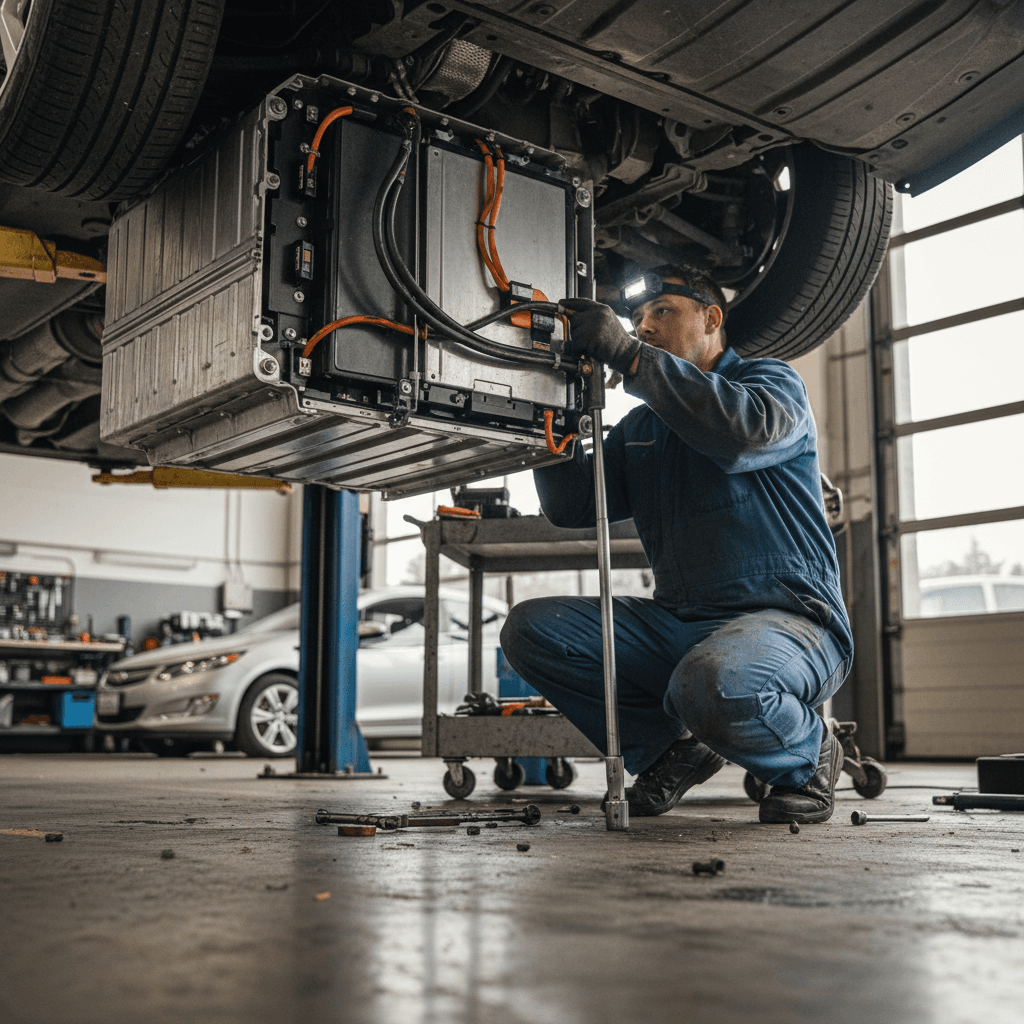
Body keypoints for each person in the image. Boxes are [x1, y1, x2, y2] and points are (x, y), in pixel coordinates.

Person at [499, 264, 853, 824]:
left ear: (711, 319)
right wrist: (549, 415)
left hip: (790, 622)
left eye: (662, 312)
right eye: (637, 321)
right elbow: (572, 507)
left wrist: (630, 357)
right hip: (681, 625)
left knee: (713, 682)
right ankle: (670, 752)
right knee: (533, 630)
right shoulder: (642, 425)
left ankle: (808, 757)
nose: (644, 328)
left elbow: (742, 437)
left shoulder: (770, 385)